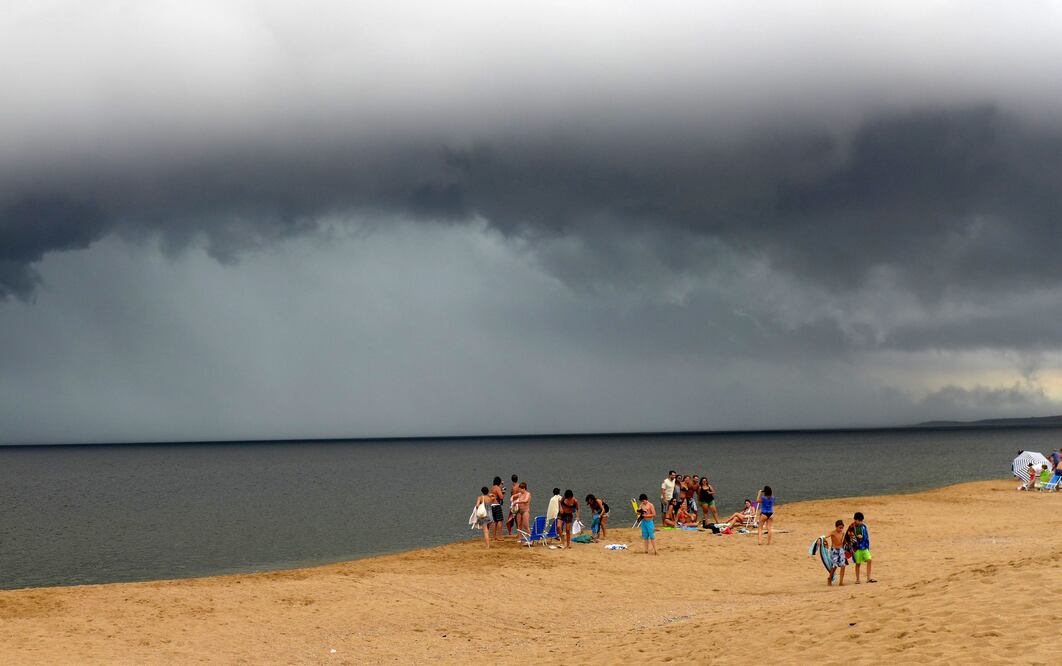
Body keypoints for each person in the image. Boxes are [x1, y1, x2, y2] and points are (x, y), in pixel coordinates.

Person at [851, 512, 875, 583]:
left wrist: (866, 544)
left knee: (869, 560)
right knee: (858, 563)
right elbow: (850, 537)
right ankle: (857, 579)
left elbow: (866, 536)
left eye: (861, 521)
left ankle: (868, 578)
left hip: (864, 547)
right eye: (859, 521)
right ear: (855, 520)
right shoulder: (852, 527)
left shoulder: (864, 526)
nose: (861, 522)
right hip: (857, 548)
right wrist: (856, 537)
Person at [826, 519, 847, 585]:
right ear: (836, 527)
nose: (841, 529)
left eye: (842, 528)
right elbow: (825, 537)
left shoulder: (843, 533)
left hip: (841, 550)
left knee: (843, 565)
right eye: (840, 528)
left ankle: (841, 582)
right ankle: (830, 578)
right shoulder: (833, 533)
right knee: (834, 566)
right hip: (834, 551)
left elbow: (843, 541)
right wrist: (822, 540)